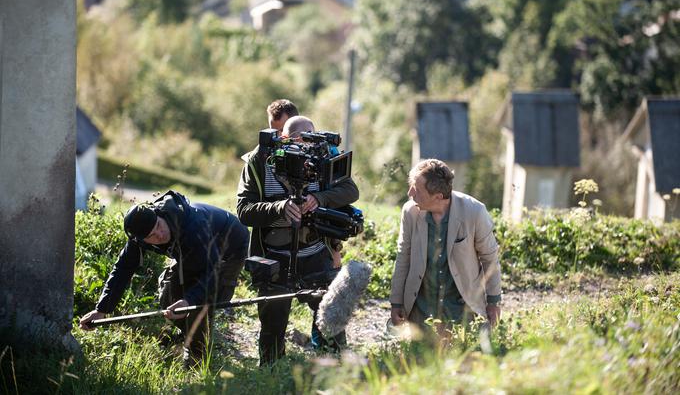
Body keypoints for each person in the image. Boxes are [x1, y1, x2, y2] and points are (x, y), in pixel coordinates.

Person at [237, 116, 360, 365]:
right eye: (299, 140)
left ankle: (334, 368)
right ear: (284, 138)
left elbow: (350, 190)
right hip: (274, 257)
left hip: (316, 254)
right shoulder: (259, 161)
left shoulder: (324, 155)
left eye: (310, 139)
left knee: (331, 319)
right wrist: (279, 209)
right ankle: (270, 374)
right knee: (272, 325)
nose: (306, 147)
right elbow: (243, 210)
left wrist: (319, 198)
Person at [79, 190, 249, 367]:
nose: (159, 235)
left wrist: (189, 300)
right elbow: (123, 268)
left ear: (159, 215)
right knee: (169, 296)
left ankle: (196, 358)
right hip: (193, 252)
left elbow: (211, 273)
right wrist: (102, 309)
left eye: (159, 227)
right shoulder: (140, 237)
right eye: (151, 236)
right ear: (142, 239)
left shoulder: (193, 225)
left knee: (201, 301)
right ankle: (191, 333)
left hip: (231, 249)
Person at [389, 159, 501, 340]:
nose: (410, 193)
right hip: (421, 313)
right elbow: (404, 257)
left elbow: (490, 258)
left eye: (417, 190)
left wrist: (494, 301)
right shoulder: (410, 212)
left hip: (461, 310)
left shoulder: (475, 212)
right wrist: (396, 303)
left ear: (438, 196)